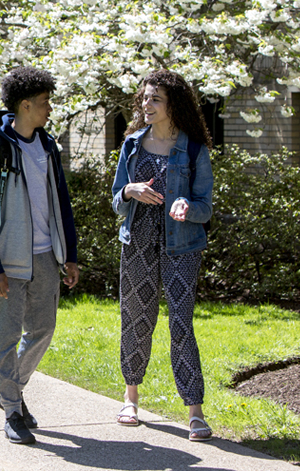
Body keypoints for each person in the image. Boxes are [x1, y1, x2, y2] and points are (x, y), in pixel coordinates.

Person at [0, 66, 79, 445]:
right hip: (9, 259)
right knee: (7, 335)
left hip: (46, 255)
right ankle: (13, 413)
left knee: (43, 330)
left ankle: (8, 390)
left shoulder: (48, 147)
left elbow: (61, 203)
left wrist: (70, 254)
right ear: (25, 105)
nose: (49, 109)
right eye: (45, 102)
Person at [111, 70, 214, 441]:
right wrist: (129, 191)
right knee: (136, 318)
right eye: (145, 98)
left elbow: (206, 206)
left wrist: (188, 205)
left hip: (181, 248)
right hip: (136, 242)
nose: (146, 104)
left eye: (155, 99)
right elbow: (116, 200)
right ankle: (130, 398)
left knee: (181, 324)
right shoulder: (132, 145)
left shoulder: (194, 149)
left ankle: (195, 411)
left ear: (173, 106)